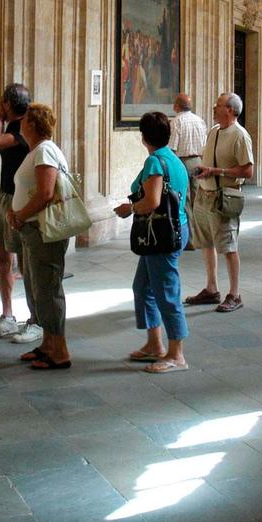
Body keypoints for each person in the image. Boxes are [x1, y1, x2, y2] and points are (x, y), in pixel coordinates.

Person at [114, 112, 190, 374]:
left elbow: (152, 201)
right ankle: (155, 344)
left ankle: (176, 354)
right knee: (143, 287)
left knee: (167, 293)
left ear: (144, 136)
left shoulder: (155, 162)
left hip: (162, 234)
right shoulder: (174, 160)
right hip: (174, 228)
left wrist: (129, 208)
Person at [7, 104, 72, 370]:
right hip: (33, 230)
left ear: (32, 124)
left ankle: (60, 352)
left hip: (42, 231)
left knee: (48, 289)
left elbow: (45, 193)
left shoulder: (45, 150)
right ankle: (47, 344)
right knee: (38, 289)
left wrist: (20, 214)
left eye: (23, 122)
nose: (20, 126)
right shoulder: (39, 150)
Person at [184, 93, 254, 313]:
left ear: (230, 110)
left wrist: (217, 171)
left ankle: (235, 293)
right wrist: (203, 172)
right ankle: (211, 288)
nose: (214, 107)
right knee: (206, 242)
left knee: (228, 245)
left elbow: (248, 170)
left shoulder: (240, 135)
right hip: (205, 195)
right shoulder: (214, 131)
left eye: (219, 105)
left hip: (224, 197)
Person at [0, 84, 38, 342]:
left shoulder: (24, 129)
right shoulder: (18, 126)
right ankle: (8, 316)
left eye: (3, 103)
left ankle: (36, 318)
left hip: (22, 199)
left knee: (28, 263)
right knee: (3, 258)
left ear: (7, 103)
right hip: (6, 196)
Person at [169, 94, 207, 248]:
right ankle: (200, 238)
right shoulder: (200, 120)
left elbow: (172, 147)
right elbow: (205, 143)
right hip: (198, 161)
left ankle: (190, 240)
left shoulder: (176, 122)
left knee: (185, 201)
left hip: (182, 162)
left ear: (176, 105)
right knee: (198, 202)